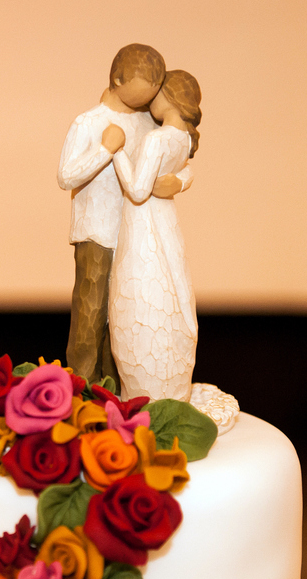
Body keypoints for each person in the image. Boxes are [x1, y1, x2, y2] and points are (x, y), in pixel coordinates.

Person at [57, 44, 168, 390]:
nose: (150, 93)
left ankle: (117, 388)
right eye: (144, 86)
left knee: (122, 316)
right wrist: (104, 150)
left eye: (155, 86)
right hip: (96, 233)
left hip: (135, 234)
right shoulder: (89, 122)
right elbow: (66, 176)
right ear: (118, 79)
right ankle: (84, 390)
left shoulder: (148, 122)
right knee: (91, 313)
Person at [108, 70, 202, 401]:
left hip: (143, 221)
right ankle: (170, 385)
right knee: (171, 287)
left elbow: (136, 189)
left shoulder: (157, 139)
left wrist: (116, 150)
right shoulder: (184, 139)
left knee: (142, 292)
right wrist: (179, 180)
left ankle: (147, 389)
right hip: (165, 219)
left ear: (169, 98)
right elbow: (182, 171)